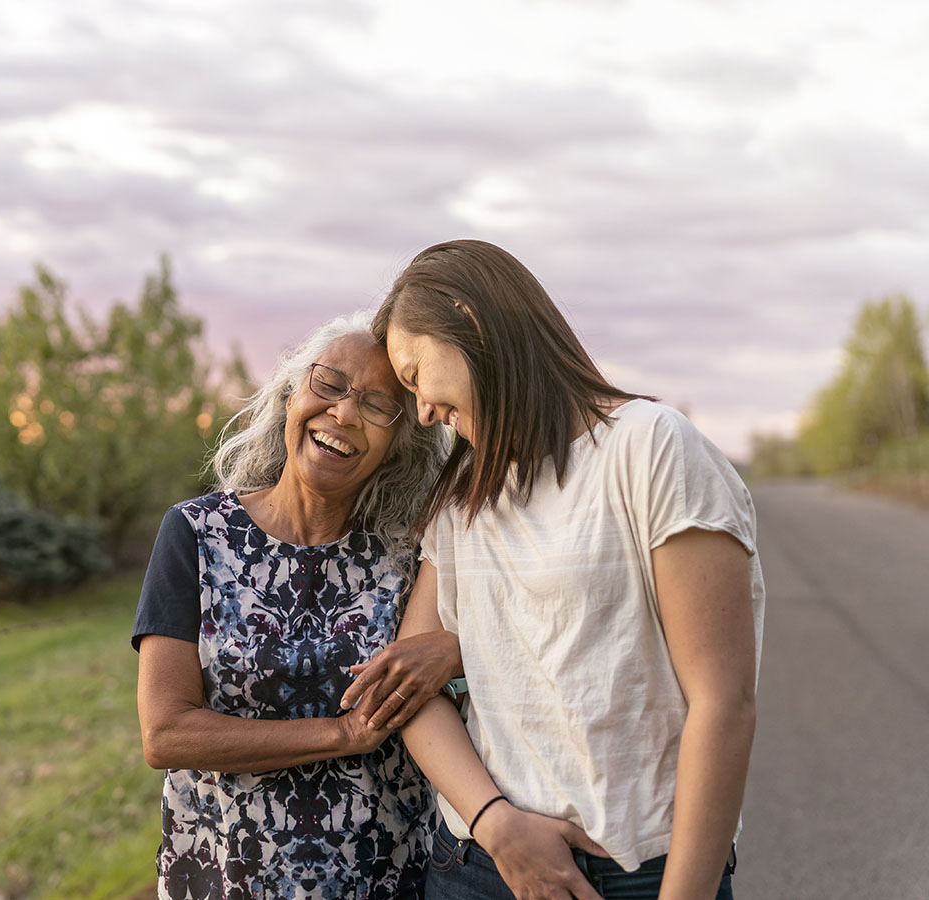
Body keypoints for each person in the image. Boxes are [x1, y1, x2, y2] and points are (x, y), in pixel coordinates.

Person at [354, 239, 765, 900]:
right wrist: (497, 825)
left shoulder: (649, 448)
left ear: (470, 320)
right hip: (478, 865)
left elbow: (723, 703)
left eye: (413, 375)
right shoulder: (465, 498)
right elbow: (410, 688)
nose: (423, 411)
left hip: (640, 872)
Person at [132, 311, 455, 899]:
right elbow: (166, 733)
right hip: (227, 877)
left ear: (399, 445)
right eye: (329, 383)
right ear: (290, 394)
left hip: (387, 878)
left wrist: (453, 651)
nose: (345, 412)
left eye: (378, 406)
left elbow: (482, 647)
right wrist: (340, 733)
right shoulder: (195, 534)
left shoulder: (418, 552)